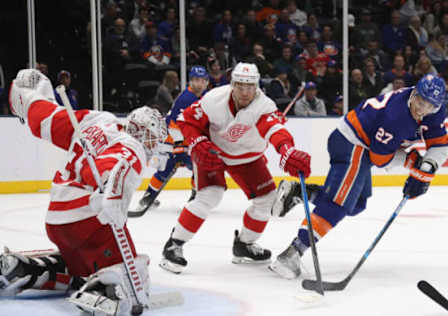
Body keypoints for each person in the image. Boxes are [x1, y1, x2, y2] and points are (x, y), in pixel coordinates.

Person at [2, 69, 168, 315]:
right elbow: (111, 167)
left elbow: (47, 121)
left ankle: (22, 268)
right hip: (87, 221)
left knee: (81, 267)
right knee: (135, 271)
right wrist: (112, 191)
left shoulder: (99, 120)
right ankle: (105, 294)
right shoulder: (133, 149)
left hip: (58, 218)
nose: (154, 146)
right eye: (154, 140)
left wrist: (29, 98)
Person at [269, 74, 448, 279]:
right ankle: (291, 254)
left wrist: (426, 169)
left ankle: (299, 193)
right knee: (339, 204)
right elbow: (380, 158)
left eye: (429, 106)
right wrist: (411, 163)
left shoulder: (434, 112)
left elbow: (439, 144)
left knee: (356, 205)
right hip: (352, 143)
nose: (421, 109)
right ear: (414, 92)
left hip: (362, 148)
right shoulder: (396, 116)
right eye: (420, 101)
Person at [159, 62, 311, 274]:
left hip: (247, 156)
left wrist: (287, 151)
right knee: (209, 196)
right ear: (232, 85)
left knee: (266, 201)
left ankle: (244, 245)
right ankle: (173, 245)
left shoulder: (263, 105)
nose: (246, 92)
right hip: (213, 152)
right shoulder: (214, 99)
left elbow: (275, 129)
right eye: (241, 86)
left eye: (250, 87)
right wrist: (197, 143)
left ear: (257, 86)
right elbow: (186, 121)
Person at [131, 66, 209, 216]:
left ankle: (193, 197)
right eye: (196, 80)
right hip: (172, 140)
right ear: (190, 82)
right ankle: (148, 198)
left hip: (186, 141)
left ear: (206, 82)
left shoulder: (204, 96)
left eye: (202, 81)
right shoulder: (187, 98)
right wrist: (179, 144)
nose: (199, 84)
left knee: (198, 167)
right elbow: (174, 123)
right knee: (168, 169)